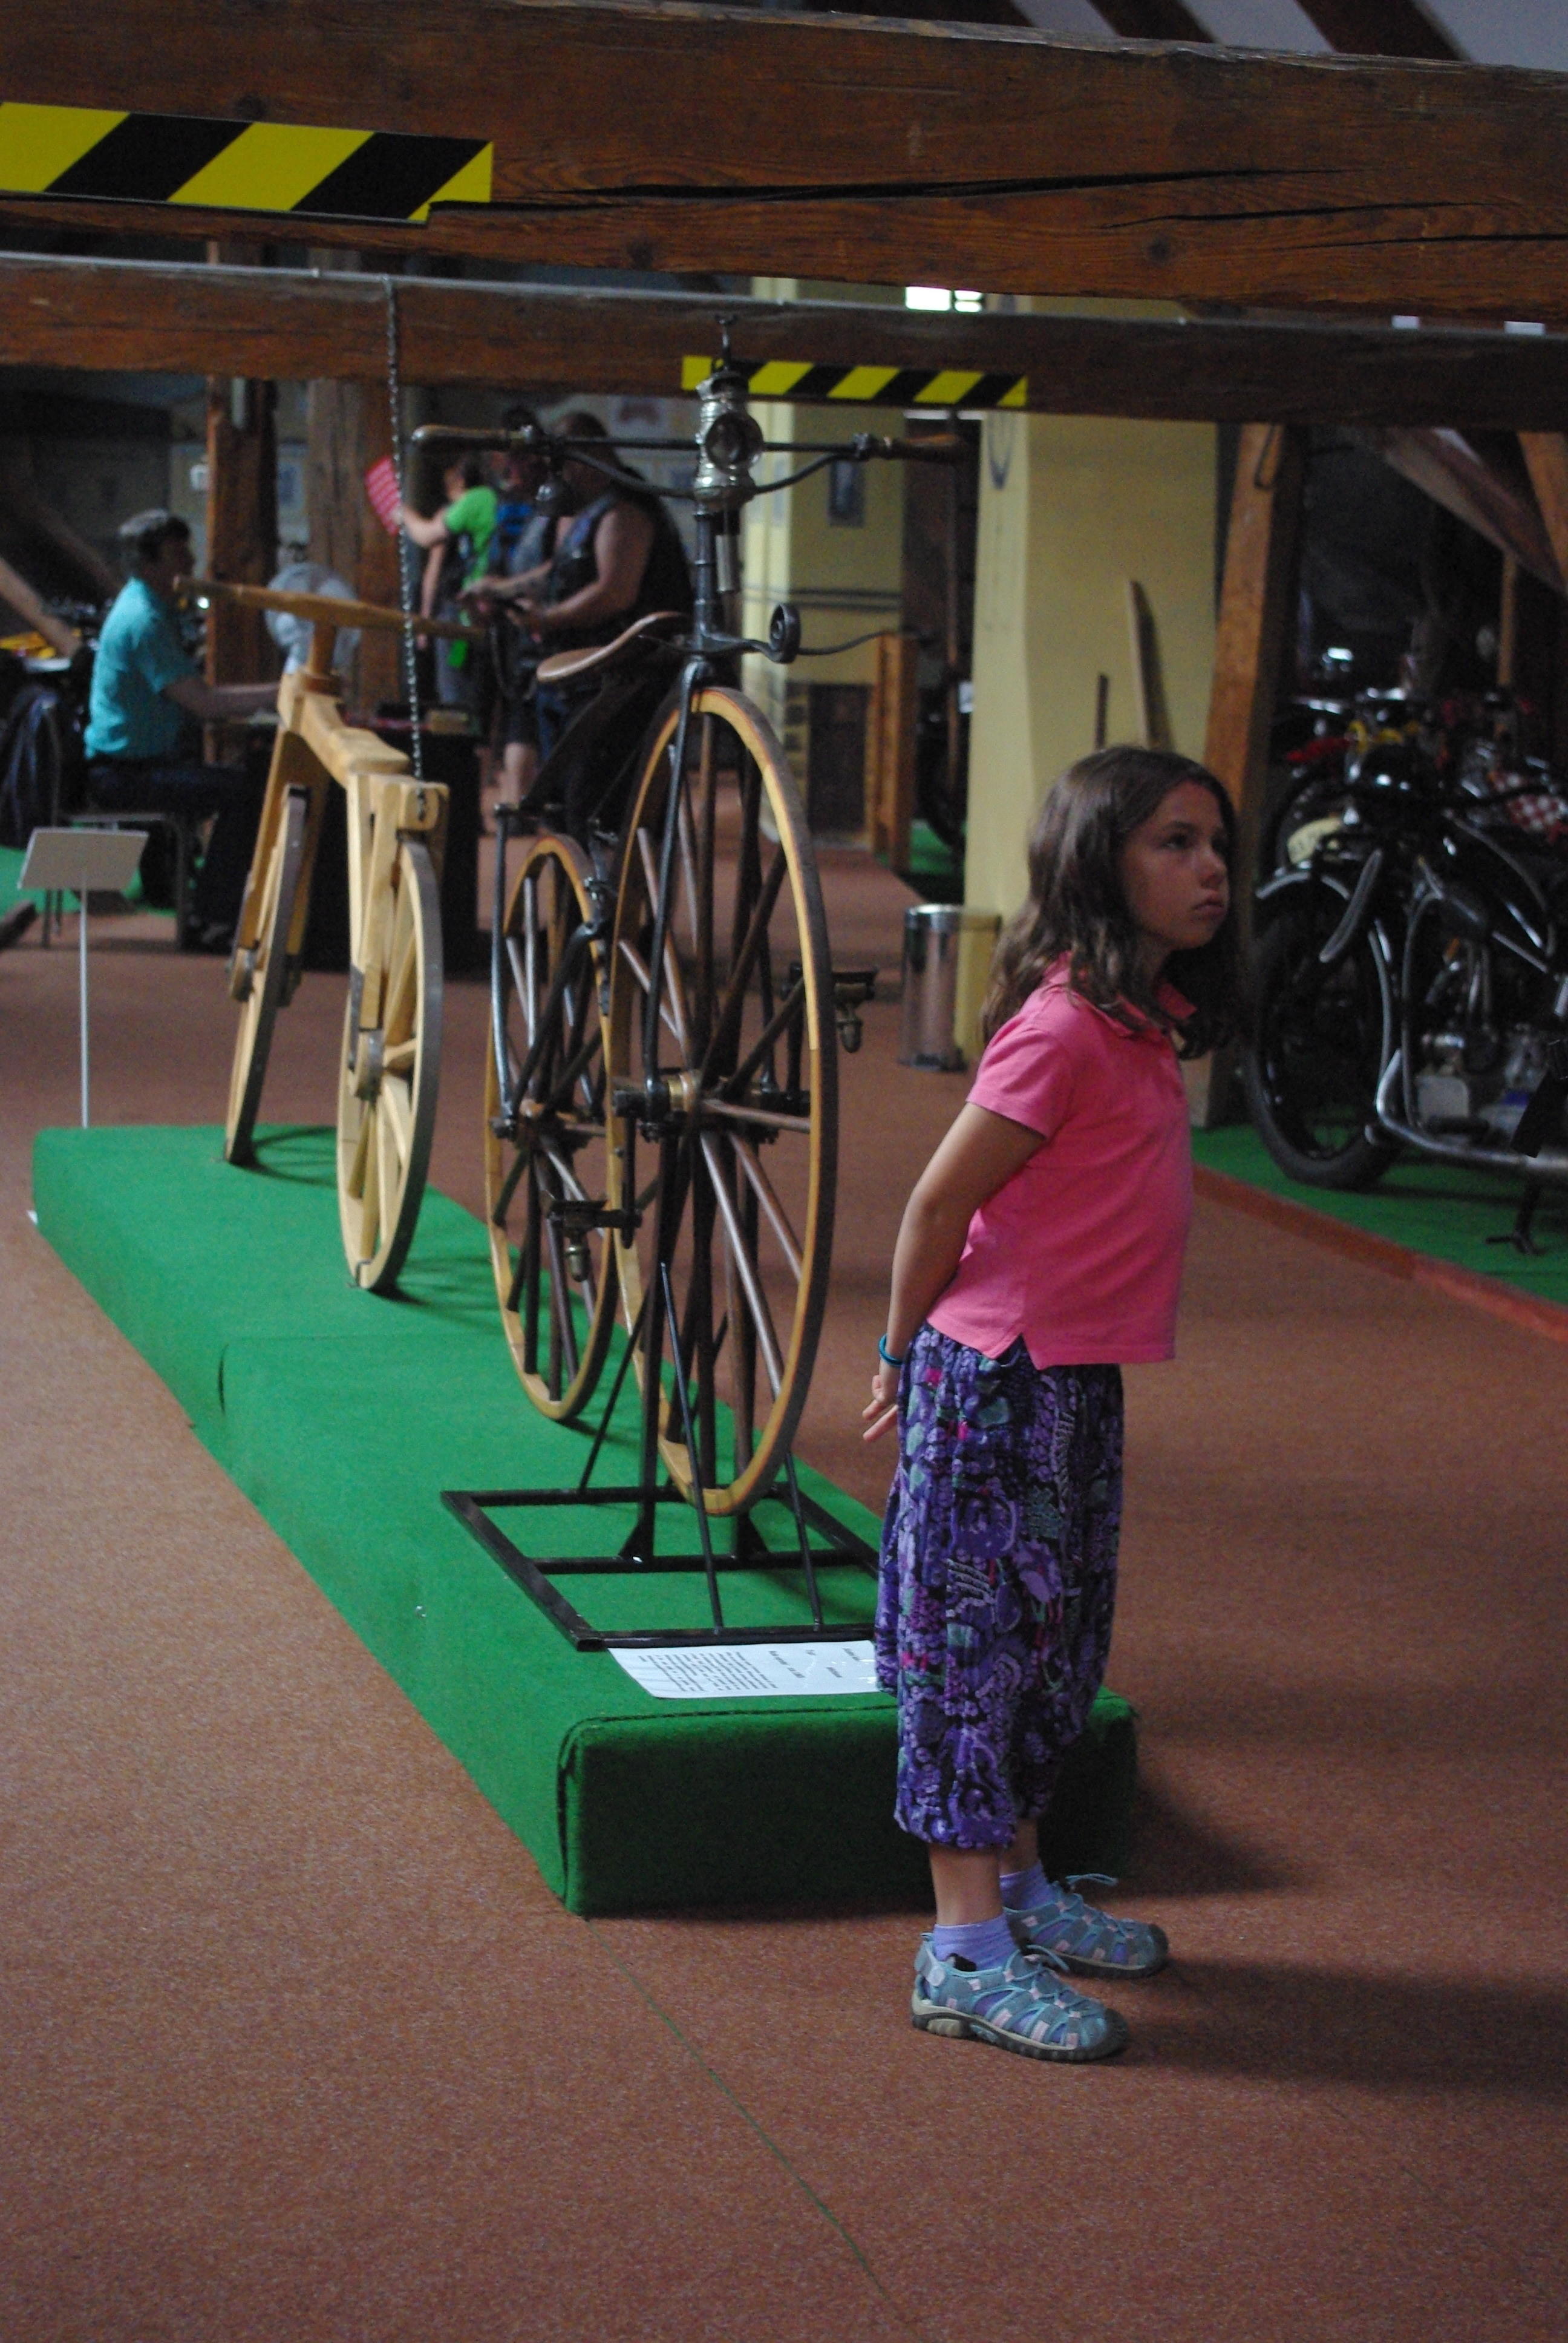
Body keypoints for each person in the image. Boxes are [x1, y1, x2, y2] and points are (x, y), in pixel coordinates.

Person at [863, 745, 1239, 2064]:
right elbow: (936, 1204)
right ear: (1099, 863)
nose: (1210, 869)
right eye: (1175, 843)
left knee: (1051, 1645)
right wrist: (900, 1354)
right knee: (972, 1657)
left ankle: (1020, 1891)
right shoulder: (1064, 1026)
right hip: (997, 1381)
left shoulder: (1139, 1021)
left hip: (1072, 1379)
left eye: (1216, 843)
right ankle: (961, 1951)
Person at [84, 510, 273, 949]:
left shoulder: (149, 606)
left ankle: (209, 906)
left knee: (243, 783)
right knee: (247, 792)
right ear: (148, 563)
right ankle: (211, 918)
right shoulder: (145, 621)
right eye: (178, 554)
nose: (190, 562)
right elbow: (204, 704)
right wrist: (280, 692)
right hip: (125, 774)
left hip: (134, 764)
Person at [468, 411, 691, 764]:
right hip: (590, 678)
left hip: (623, 681)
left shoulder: (624, 508)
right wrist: (500, 591)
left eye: (563, 465)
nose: (558, 477)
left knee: (592, 784)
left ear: (586, 459)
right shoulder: (592, 509)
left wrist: (548, 619)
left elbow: (614, 593)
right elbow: (559, 571)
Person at [402, 454, 497, 725]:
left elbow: (430, 552)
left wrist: (405, 515)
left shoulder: (463, 508)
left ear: (460, 482)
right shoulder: (493, 501)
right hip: (480, 611)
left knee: (455, 698)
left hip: (461, 612)